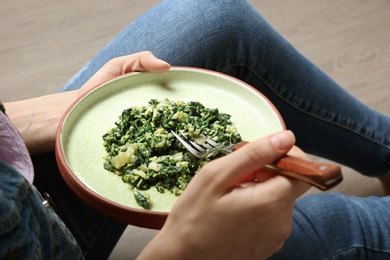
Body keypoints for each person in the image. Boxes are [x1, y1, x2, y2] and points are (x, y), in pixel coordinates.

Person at [1, 0, 389, 259]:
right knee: (321, 221)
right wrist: (181, 251)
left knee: (220, 19)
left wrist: (28, 121)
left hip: (21, 195)